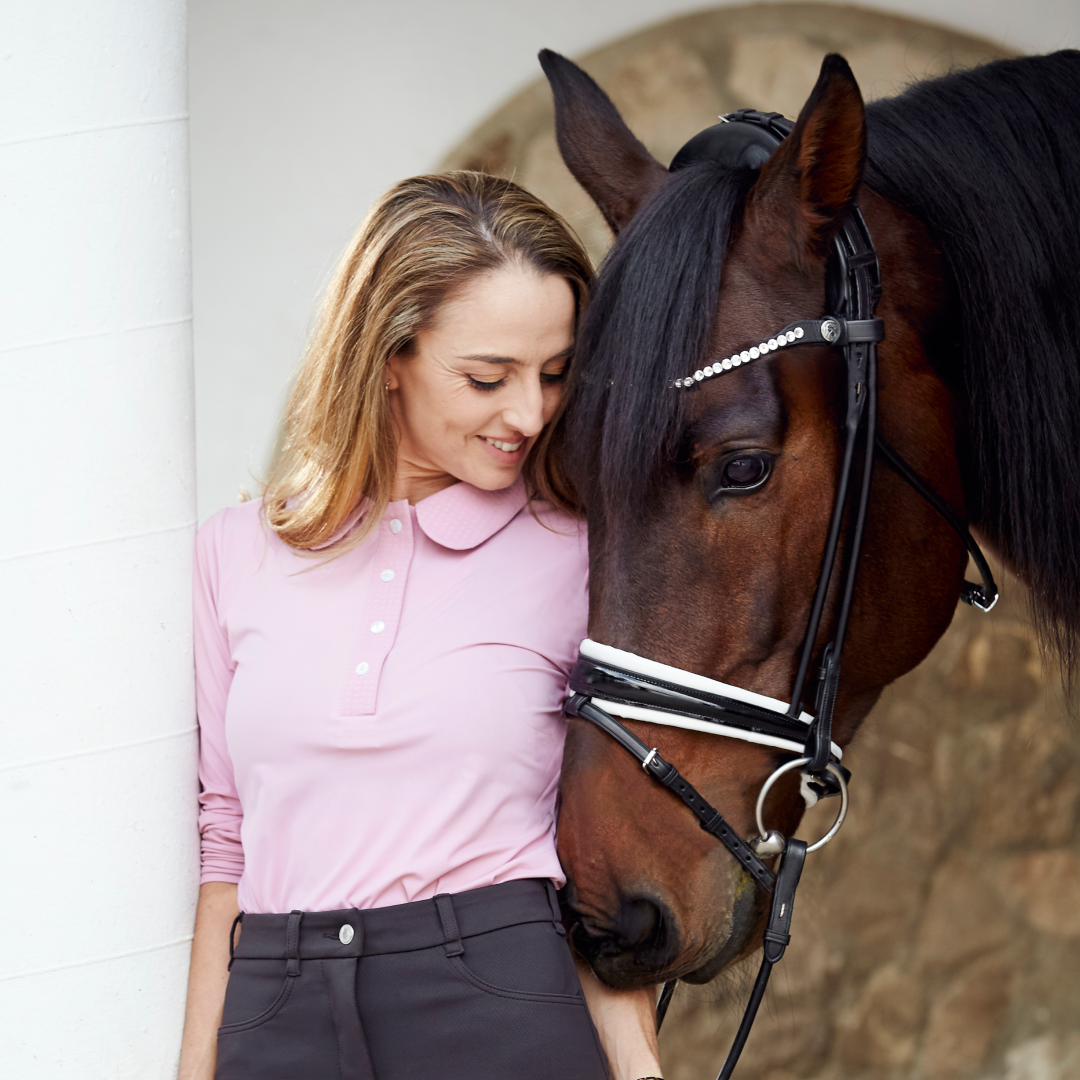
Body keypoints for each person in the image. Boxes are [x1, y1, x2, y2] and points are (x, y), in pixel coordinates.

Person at [178, 171, 663, 1080]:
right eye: (488, 377)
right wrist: (196, 1069)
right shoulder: (232, 554)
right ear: (388, 354)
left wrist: (638, 1068)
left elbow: (600, 838)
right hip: (274, 1009)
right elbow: (226, 836)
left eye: (555, 375)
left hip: (495, 1000)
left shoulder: (583, 556)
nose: (529, 413)